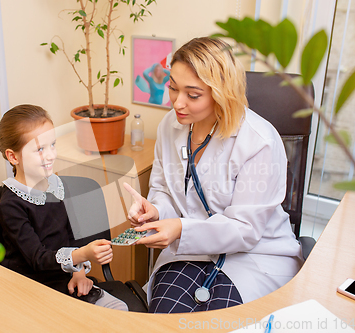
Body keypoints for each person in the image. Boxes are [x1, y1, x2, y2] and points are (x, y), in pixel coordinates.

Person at [124, 37, 303, 314]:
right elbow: (163, 188)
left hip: (252, 257)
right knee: (167, 316)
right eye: (173, 88)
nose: (178, 103)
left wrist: (181, 229)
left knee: (218, 322)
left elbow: (245, 230)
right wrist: (156, 211)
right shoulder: (170, 127)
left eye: (192, 95)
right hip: (189, 251)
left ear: (221, 92)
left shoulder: (258, 141)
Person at [0, 104, 128, 311]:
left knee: (119, 310)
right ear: (14, 157)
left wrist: (79, 273)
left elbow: (71, 236)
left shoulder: (56, 186)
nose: (50, 156)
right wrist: (83, 254)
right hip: (31, 288)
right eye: (40, 149)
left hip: (66, 277)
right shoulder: (11, 205)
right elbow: (38, 259)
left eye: (52, 145)